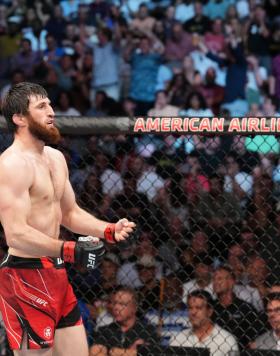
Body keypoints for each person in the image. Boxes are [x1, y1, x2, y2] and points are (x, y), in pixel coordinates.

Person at [0, 82, 136, 355]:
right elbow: (16, 233)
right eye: (41, 106)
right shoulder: (11, 165)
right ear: (19, 118)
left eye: (50, 104)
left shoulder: (55, 158)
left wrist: (107, 229)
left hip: (57, 272)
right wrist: (70, 248)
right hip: (26, 275)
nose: (51, 111)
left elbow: (69, 213)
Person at [90, 287, 159, 356]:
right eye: (115, 303)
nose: (116, 307)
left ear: (134, 308)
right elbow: (95, 352)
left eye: (122, 304)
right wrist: (130, 352)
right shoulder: (105, 330)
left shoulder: (148, 330)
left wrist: (114, 352)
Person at [170, 290, 238, 356]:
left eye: (198, 308)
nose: (193, 312)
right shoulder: (178, 338)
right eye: (190, 308)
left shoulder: (227, 340)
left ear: (210, 312)